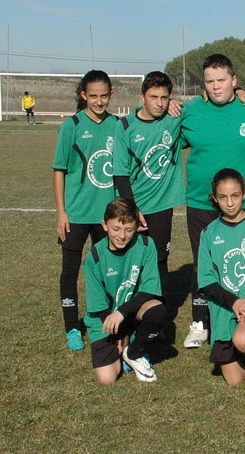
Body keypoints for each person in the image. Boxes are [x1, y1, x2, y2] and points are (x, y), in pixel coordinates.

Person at [180, 54, 245, 348]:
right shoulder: (190, 111)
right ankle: (200, 322)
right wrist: (169, 105)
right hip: (200, 202)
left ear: (234, 80)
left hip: (242, 204)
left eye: (222, 80)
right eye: (209, 81)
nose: (216, 87)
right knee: (202, 265)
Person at [113, 71, 185, 328]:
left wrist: (241, 89)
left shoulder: (174, 120)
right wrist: (132, 211)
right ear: (141, 96)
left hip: (161, 207)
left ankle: (159, 319)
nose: (159, 103)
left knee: (159, 261)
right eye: (153, 97)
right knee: (130, 261)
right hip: (133, 206)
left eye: (165, 97)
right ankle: (125, 315)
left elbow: (208, 103)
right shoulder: (124, 126)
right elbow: (120, 173)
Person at [52, 70, 118, 350]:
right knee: (70, 272)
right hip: (76, 214)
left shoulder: (118, 125)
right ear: (83, 96)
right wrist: (61, 212)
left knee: (108, 271)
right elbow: (59, 170)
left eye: (104, 96)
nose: (99, 101)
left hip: (107, 217)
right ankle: (72, 328)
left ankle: (106, 322)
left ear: (111, 96)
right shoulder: (72, 126)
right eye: (93, 96)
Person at [197, 168, 245, 392]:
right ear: (215, 198)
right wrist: (234, 303)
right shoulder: (209, 233)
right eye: (223, 197)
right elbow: (206, 282)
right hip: (224, 307)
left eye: (235, 195)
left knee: (241, 339)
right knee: (234, 379)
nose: (230, 203)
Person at [84, 197, 167, 384]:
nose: (122, 235)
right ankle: (122, 344)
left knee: (157, 310)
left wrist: (122, 316)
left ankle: (133, 351)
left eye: (129, 229)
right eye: (116, 229)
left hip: (130, 312)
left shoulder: (146, 245)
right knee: (107, 379)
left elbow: (149, 291)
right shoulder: (95, 256)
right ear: (104, 225)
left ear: (137, 226)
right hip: (105, 318)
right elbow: (97, 306)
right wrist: (117, 335)